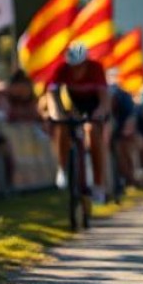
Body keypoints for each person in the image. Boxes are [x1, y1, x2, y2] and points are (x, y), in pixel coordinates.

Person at [47, 42, 110, 203]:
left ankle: (98, 184)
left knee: (92, 132)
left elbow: (103, 99)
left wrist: (99, 113)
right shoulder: (62, 69)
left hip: (93, 104)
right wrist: (56, 113)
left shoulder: (96, 68)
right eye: (73, 67)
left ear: (86, 62)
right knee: (62, 127)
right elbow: (52, 95)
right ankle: (62, 168)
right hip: (73, 104)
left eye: (80, 67)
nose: (76, 71)